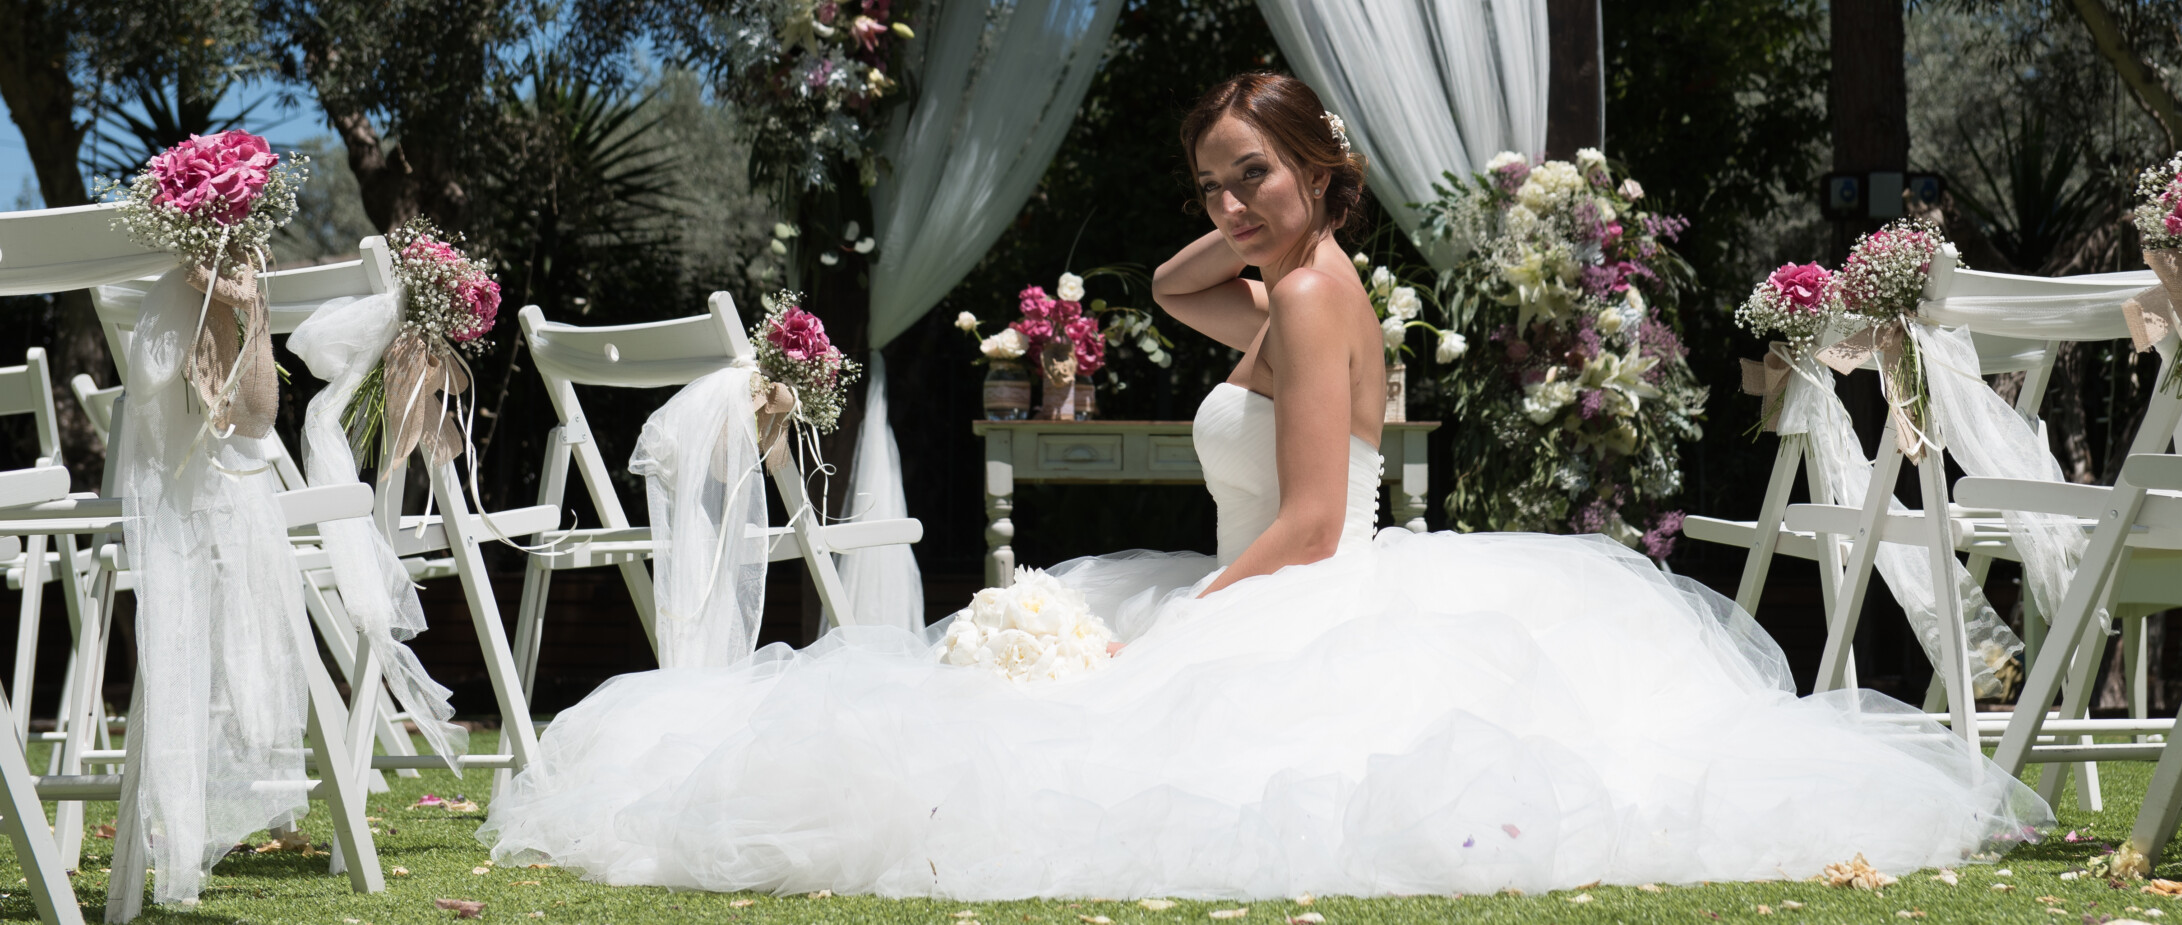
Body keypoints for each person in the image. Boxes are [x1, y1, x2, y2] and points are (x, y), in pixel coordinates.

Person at [481, 72, 2045, 897]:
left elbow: (1305, 521)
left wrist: (1180, 626)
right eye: (1214, 181)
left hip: (1299, 584)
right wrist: (1247, 215)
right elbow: (1175, 291)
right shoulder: (1298, 284)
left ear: (1321, 171)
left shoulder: (1307, 295)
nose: (1231, 202)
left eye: (1256, 174)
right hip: (1286, 561)